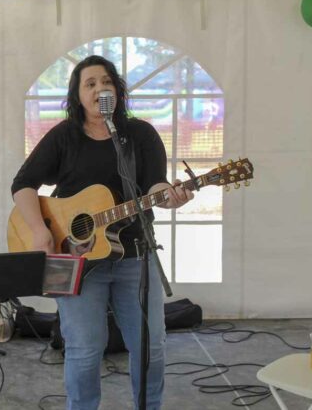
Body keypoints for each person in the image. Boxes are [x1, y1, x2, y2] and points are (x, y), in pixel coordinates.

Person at [11, 55, 194, 410]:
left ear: (117, 91)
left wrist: (171, 198)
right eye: (90, 83)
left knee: (150, 347)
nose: (99, 88)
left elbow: (154, 184)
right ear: (77, 95)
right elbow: (23, 185)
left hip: (135, 258)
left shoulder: (140, 134)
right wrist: (38, 230)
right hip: (75, 259)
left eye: (106, 81)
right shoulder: (64, 136)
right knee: (82, 350)